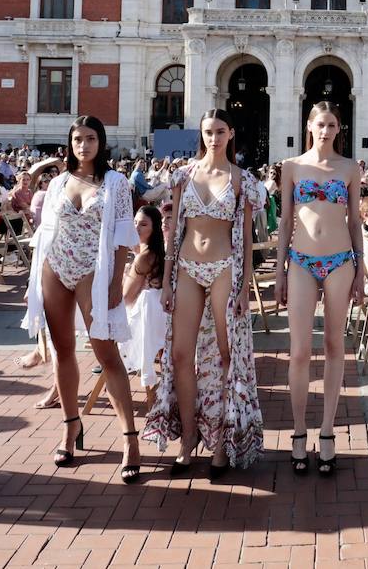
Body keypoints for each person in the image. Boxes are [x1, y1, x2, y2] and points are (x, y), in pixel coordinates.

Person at [144, 109, 265, 476]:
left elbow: (245, 236)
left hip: (224, 268)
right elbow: (173, 233)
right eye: (208, 132)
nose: (214, 138)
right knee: (181, 354)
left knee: (226, 357)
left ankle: (222, 443)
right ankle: (188, 436)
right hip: (185, 269)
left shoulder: (242, 180)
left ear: (231, 134)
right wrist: (166, 281)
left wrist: (244, 287)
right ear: (201, 135)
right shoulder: (182, 175)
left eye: (220, 132)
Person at [22, 116, 142, 480]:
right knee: (61, 349)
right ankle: (71, 424)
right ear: (70, 143)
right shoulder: (58, 182)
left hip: (95, 268)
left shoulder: (115, 182)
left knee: (105, 353)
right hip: (55, 266)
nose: (84, 145)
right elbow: (45, 226)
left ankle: (130, 438)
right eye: (77, 139)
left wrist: (114, 283)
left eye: (91, 138)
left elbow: (123, 234)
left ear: (100, 142)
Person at [275, 103, 364, 476]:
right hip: (301, 261)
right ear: (308, 126)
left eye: (331, 124)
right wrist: (280, 269)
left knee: (333, 346)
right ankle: (298, 430)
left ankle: (327, 430)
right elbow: (284, 219)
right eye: (320, 124)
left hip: (341, 260)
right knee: (298, 351)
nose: (325, 130)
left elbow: (356, 219)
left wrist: (360, 268)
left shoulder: (350, 168)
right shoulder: (292, 167)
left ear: (338, 128)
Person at [120, 205, 168, 401]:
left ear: (154, 228)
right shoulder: (161, 252)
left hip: (149, 318)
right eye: (135, 223)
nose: (137, 228)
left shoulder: (144, 258)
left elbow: (127, 297)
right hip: (162, 316)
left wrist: (126, 272)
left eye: (143, 224)